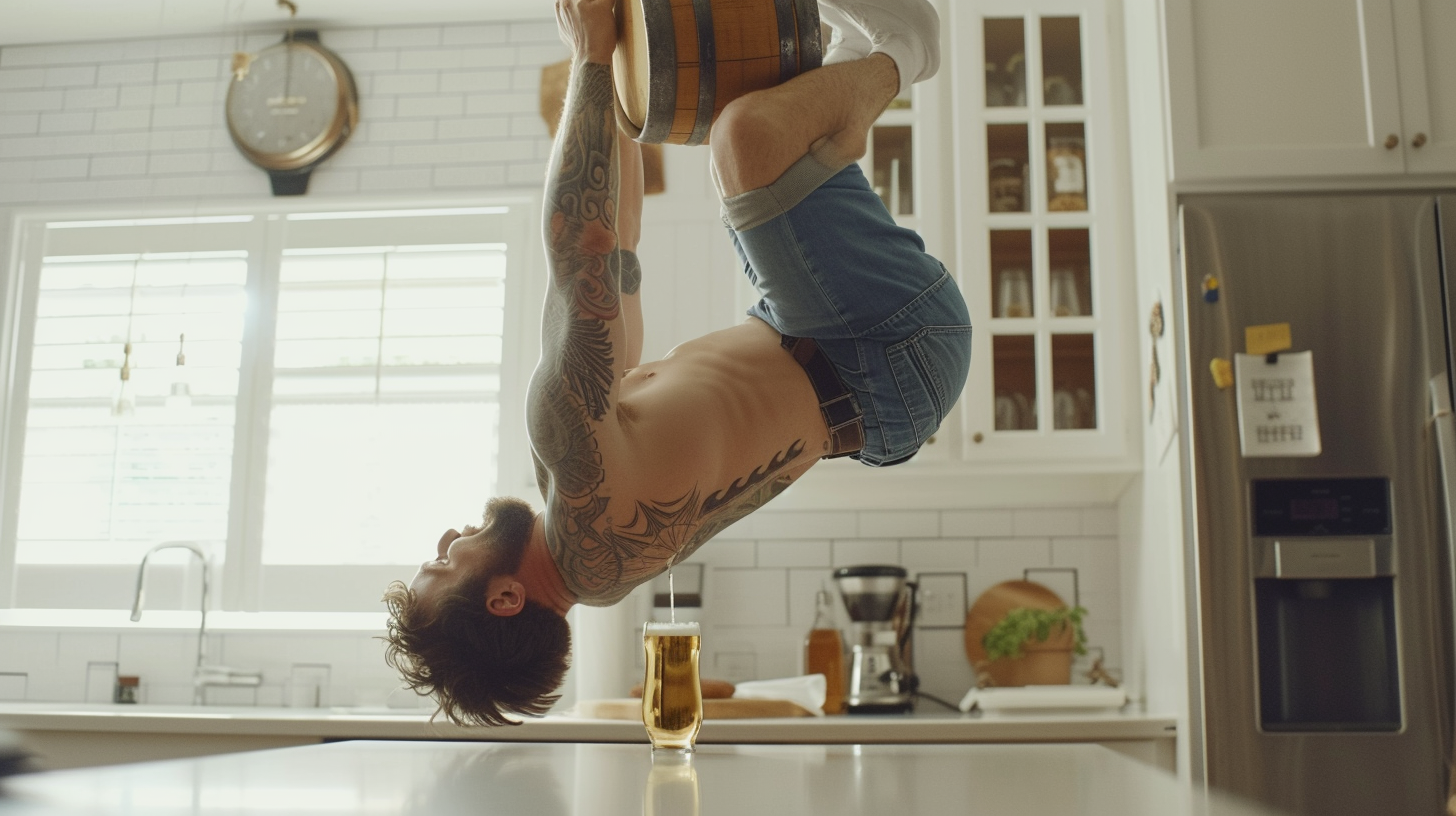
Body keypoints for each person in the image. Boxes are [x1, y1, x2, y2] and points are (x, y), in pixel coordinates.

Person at [382, 0, 970, 727]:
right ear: (504, 598)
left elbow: (620, 246)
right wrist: (591, 58)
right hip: (882, 349)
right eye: (446, 565)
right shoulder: (576, 466)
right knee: (746, 138)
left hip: (862, 381)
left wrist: (621, 103)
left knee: (744, 113)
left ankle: (849, 67)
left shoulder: (592, 543)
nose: (446, 541)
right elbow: (585, 250)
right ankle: (902, 52)